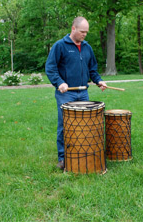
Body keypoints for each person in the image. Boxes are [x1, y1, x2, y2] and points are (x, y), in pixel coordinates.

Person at [45, 16, 107, 170]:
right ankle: (63, 158)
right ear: (73, 29)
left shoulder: (87, 47)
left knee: (84, 125)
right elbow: (50, 68)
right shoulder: (60, 46)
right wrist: (60, 83)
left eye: (86, 32)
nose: (84, 35)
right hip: (66, 94)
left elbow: (92, 69)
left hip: (83, 93)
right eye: (82, 32)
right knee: (65, 125)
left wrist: (98, 81)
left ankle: (82, 152)